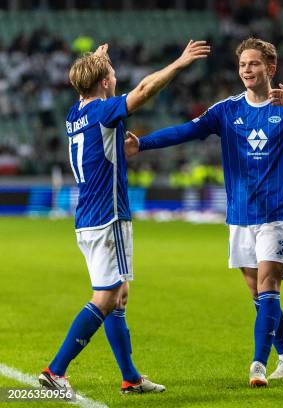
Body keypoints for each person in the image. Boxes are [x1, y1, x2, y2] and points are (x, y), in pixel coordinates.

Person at [125, 38, 283, 387]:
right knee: (258, 295)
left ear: (271, 69)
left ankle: (258, 365)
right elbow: (187, 131)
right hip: (239, 215)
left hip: (277, 214)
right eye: (243, 64)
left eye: (254, 64)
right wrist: (143, 143)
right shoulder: (226, 110)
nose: (247, 70)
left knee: (268, 286)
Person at [40, 40, 210, 393]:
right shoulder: (104, 111)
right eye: (112, 73)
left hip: (87, 217)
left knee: (119, 294)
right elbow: (145, 89)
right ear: (103, 83)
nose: (116, 77)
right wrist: (178, 63)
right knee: (105, 298)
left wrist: (97, 62)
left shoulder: (76, 114)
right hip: (108, 217)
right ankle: (56, 370)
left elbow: (89, 84)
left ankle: (130, 377)